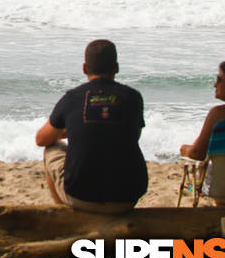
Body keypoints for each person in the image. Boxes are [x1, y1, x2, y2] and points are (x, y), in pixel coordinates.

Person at [35, 39, 148, 213]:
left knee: (51, 147)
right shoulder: (133, 97)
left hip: (80, 197)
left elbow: (41, 139)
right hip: (127, 197)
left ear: (85, 68)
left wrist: (69, 131)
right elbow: (133, 135)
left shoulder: (73, 97)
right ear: (116, 68)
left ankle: (64, 212)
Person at [180, 58, 225, 160]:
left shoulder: (219, 114)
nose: (215, 85)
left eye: (220, 80)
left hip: (222, 175)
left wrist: (185, 149)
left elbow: (197, 153)